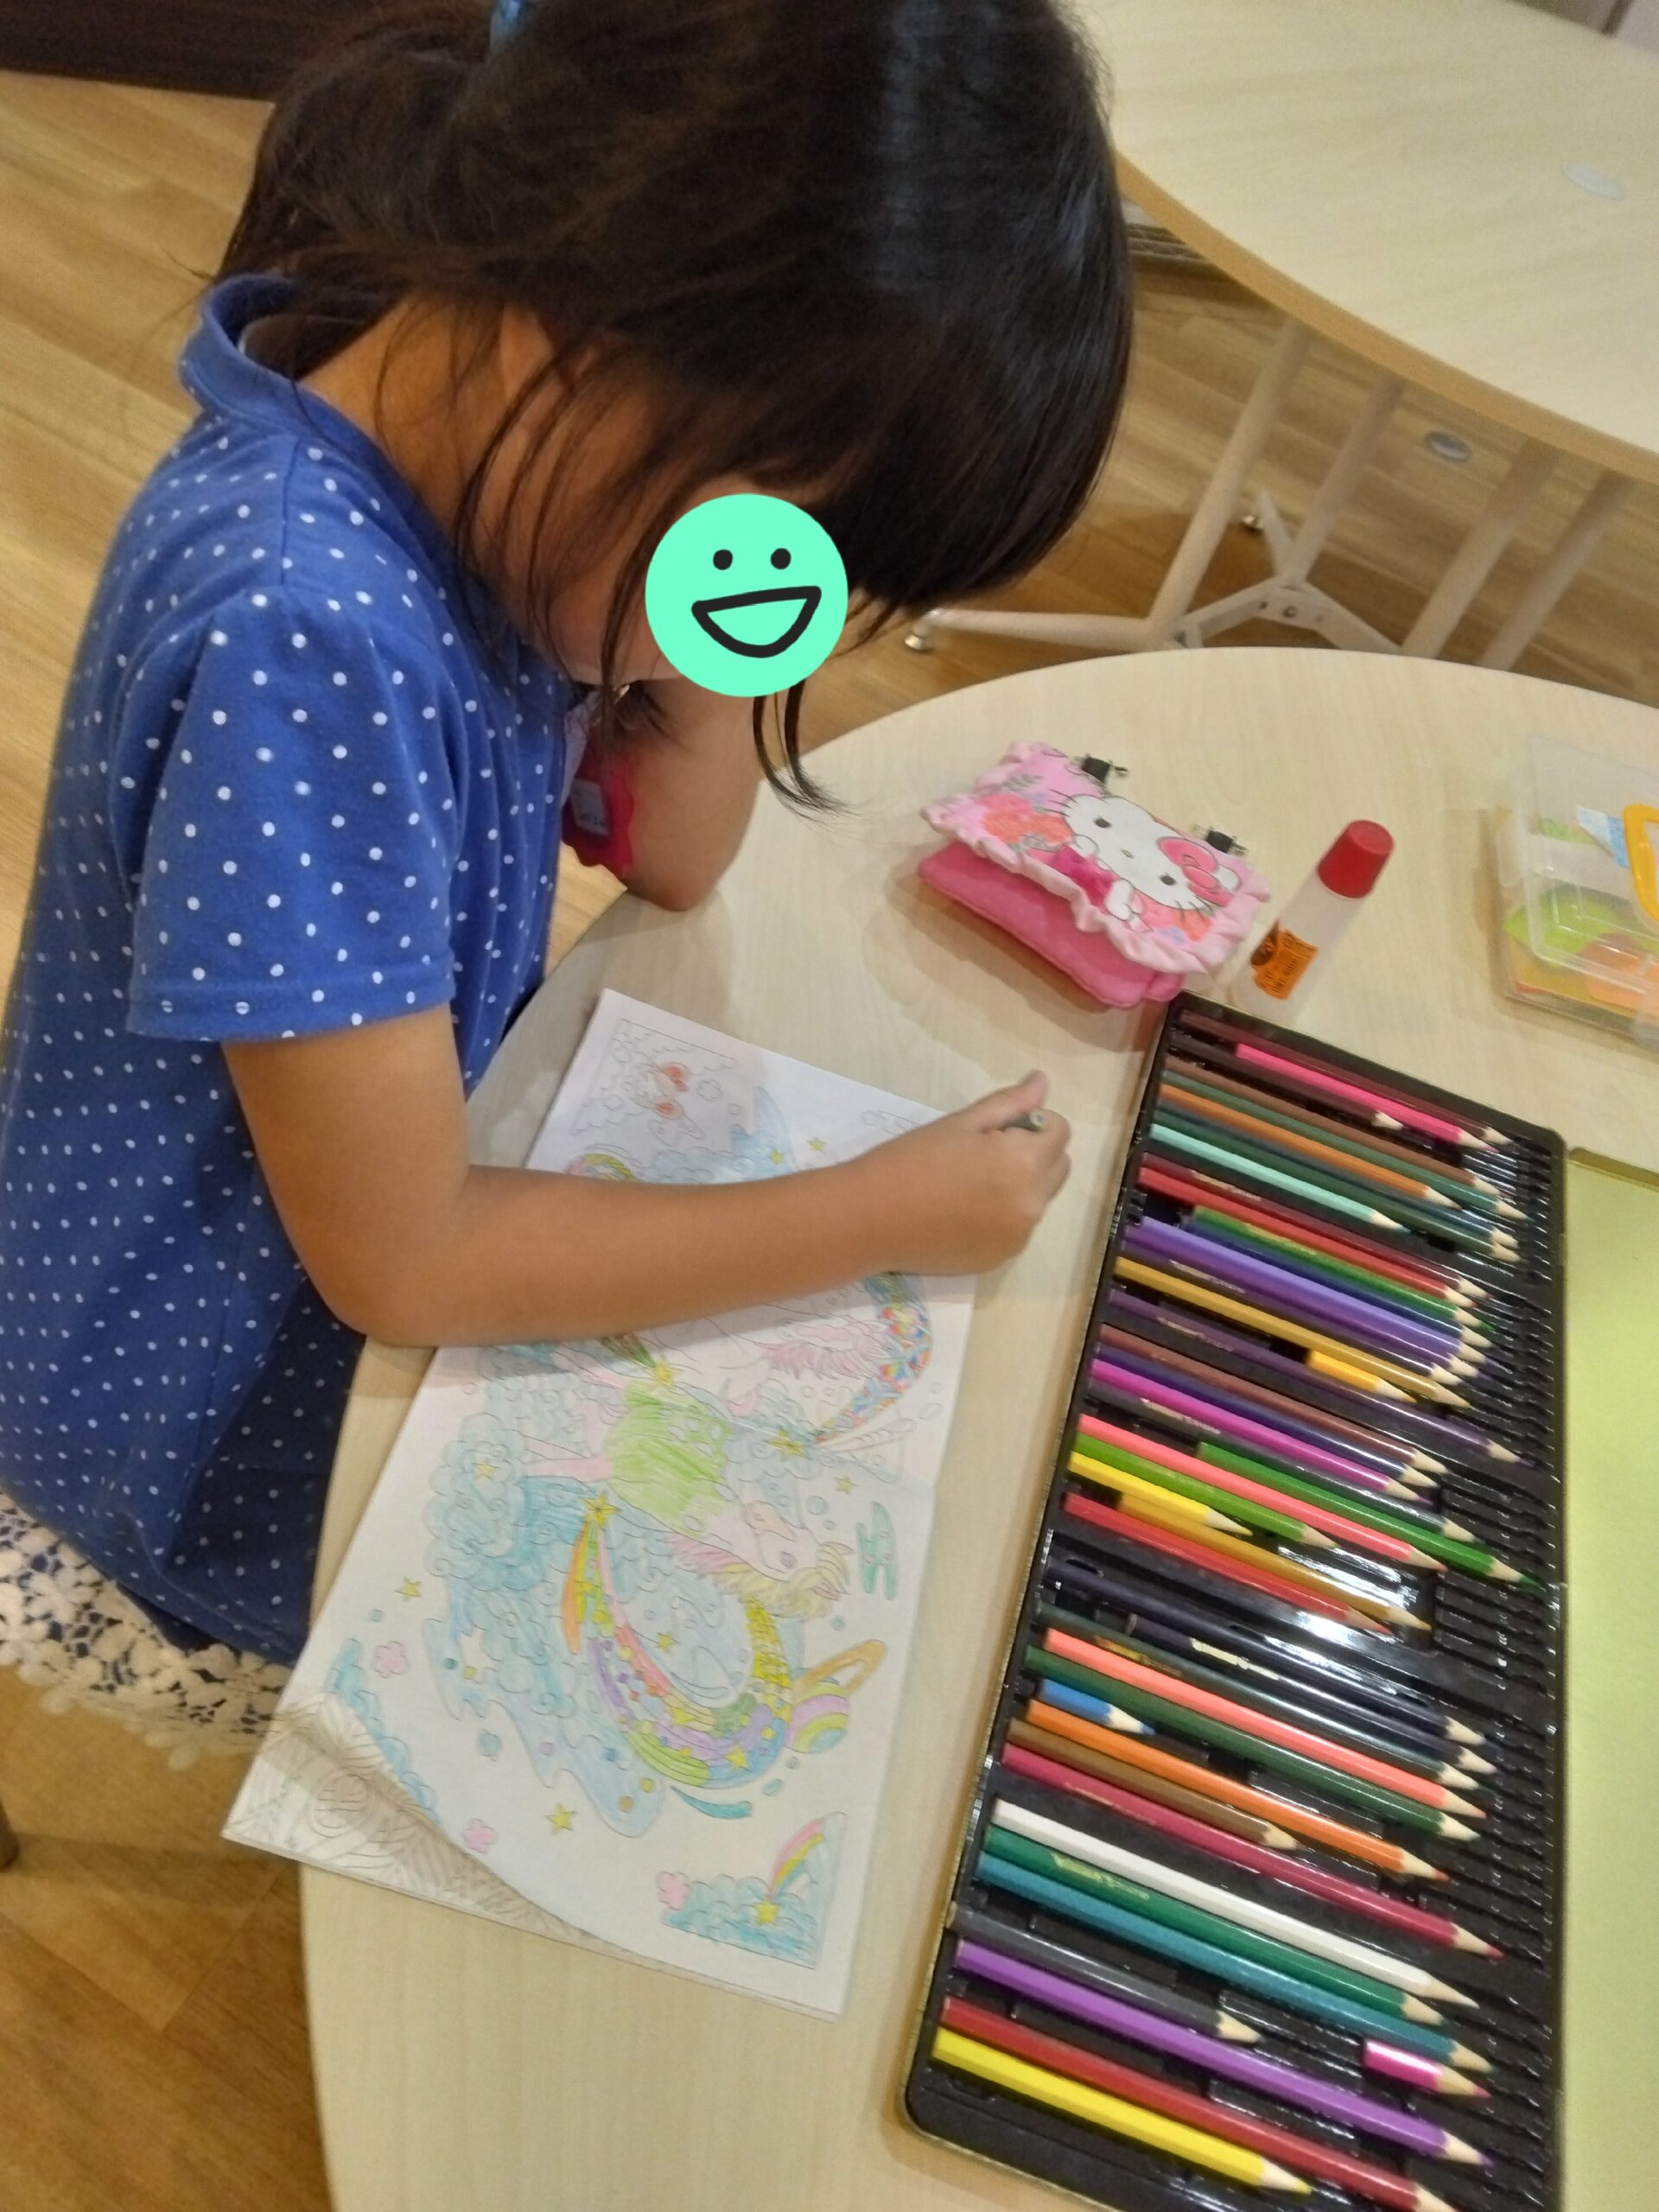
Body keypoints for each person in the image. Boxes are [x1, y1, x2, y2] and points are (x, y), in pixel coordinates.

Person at [0, 0, 1132, 1676]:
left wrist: (725, 606)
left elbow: (679, 853)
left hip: (352, 1228)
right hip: (200, 1388)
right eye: (772, 547)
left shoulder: (491, 449)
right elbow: (409, 1256)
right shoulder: (304, 637)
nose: (756, 618)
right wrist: (879, 1209)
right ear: (577, 332)